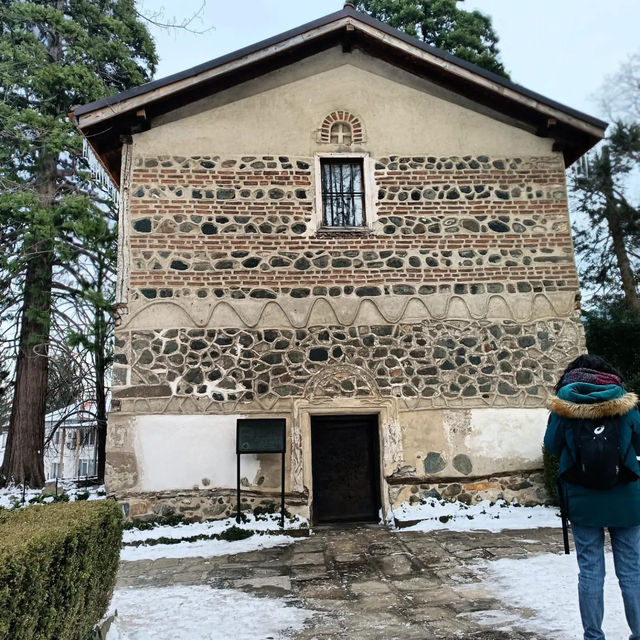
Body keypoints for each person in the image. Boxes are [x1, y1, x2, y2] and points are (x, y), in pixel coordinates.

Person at [544, 354, 640, 640]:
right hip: (626, 499)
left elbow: (551, 445)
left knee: (590, 571)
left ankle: (594, 636)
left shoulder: (564, 406)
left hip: (583, 499)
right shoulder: (626, 404)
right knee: (632, 572)